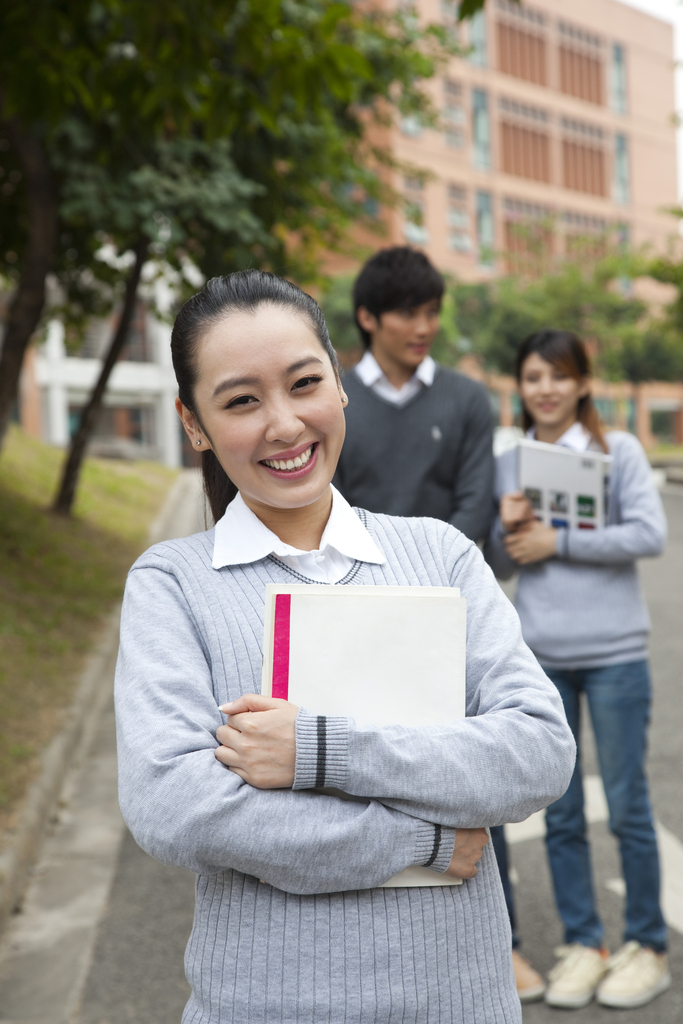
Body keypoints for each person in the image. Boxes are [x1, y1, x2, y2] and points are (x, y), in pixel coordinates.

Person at [115, 271, 575, 1024]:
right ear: (193, 423)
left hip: (460, 1003)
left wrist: (319, 753)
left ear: (340, 382)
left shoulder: (442, 555)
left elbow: (536, 750)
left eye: (304, 383)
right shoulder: (174, 584)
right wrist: (421, 839)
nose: (285, 424)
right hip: (264, 1006)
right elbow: (176, 805)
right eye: (240, 400)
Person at [485, 329, 669, 1011]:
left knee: (625, 808)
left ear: (582, 383)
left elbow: (649, 534)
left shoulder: (615, 450)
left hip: (615, 653)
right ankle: (582, 944)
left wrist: (556, 538)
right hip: (542, 657)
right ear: (520, 385)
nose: (546, 389)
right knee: (558, 814)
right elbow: (503, 563)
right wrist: (508, 531)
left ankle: (646, 945)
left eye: (559, 376)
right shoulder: (511, 463)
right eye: (533, 376)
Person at [333, 246, 494, 542]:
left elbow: (476, 504)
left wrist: (433, 571)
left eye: (432, 312)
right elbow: (330, 506)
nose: (424, 328)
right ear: (367, 318)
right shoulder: (333, 403)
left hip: (447, 577)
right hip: (360, 579)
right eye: (407, 313)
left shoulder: (468, 398)